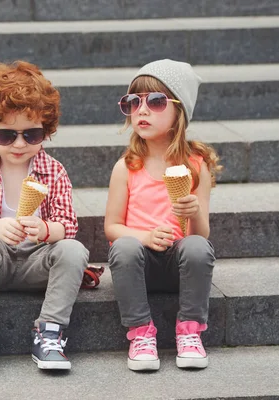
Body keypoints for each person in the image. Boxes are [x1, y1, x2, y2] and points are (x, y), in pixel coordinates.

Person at [0, 60, 89, 371]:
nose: (20, 144)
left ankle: (50, 331)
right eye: (7, 136)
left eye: (32, 135)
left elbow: (67, 226)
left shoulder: (53, 170)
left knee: (74, 250)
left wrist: (45, 229)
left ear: (46, 131)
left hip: (39, 264)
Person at [104, 59, 222, 371]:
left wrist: (193, 214)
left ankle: (190, 332)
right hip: (138, 267)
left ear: (179, 111)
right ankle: (141, 334)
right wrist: (143, 236)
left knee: (198, 248)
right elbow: (112, 227)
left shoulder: (197, 166)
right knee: (124, 246)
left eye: (155, 101)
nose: (141, 110)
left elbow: (201, 236)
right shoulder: (126, 167)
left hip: (179, 268)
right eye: (133, 102)